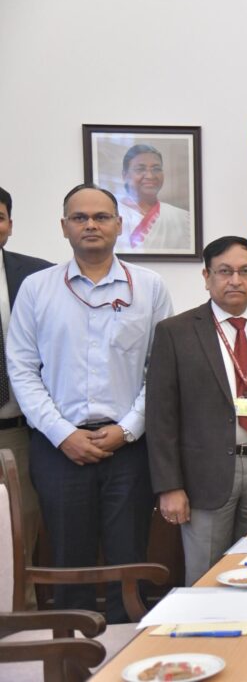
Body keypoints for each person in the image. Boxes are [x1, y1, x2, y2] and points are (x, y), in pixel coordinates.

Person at [7, 184, 172, 621]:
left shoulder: (150, 287)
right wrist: (63, 434)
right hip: (58, 448)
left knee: (128, 562)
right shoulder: (37, 289)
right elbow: (22, 369)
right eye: (80, 218)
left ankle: (125, 657)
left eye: (101, 216)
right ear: (64, 228)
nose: (91, 225)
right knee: (68, 563)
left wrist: (128, 429)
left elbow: (161, 370)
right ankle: (72, 657)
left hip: (129, 447)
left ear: (119, 224)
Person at [146, 236, 247, 584]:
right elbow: (161, 418)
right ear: (207, 277)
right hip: (203, 477)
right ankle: (203, 637)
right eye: (225, 271)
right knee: (206, 573)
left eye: (245, 271)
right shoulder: (175, 332)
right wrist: (169, 487)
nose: (235, 280)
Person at [0, 186, 52, 607]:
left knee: (21, 532)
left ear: (10, 225)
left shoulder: (38, 278)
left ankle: (21, 622)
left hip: (17, 431)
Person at [115, 144, 192, 252]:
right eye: (140, 169)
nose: (150, 176)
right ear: (125, 176)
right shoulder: (111, 215)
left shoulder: (182, 218)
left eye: (156, 169)